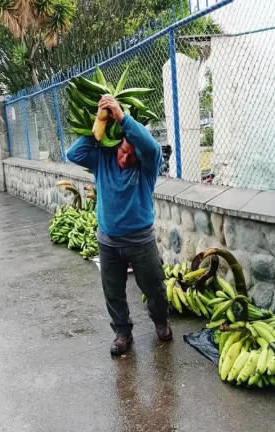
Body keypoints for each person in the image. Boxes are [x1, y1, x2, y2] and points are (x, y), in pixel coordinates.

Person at [67, 95, 171, 356]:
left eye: (132, 155)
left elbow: (152, 149)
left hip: (140, 241)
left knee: (154, 288)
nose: (125, 158)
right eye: (123, 151)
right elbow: (73, 154)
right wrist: (101, 123)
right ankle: (122, 333)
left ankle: (161, 322)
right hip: (109, 241)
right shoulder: (102, 160)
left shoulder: (146, 167)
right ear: (115, 145)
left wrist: (123, 117)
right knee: (113, 291)